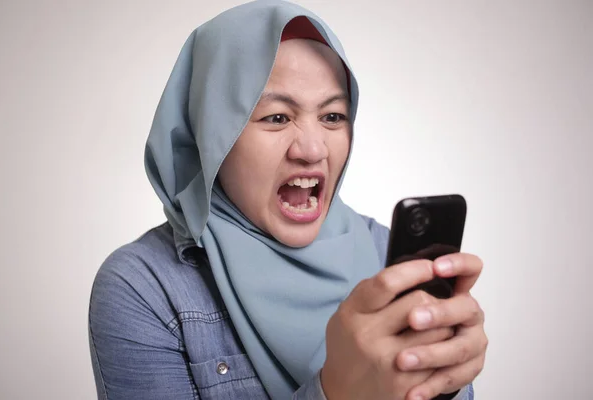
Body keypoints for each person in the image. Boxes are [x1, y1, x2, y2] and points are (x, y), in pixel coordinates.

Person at [88, 1, 488, 399]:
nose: (313, 149)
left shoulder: (388, 255)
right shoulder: (143, 287)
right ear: (212, 136)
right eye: (277, 117)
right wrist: (337, 391)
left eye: (333, 116)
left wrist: (443, 384)